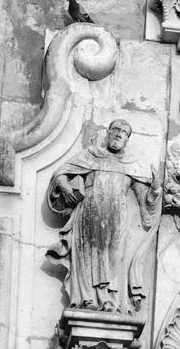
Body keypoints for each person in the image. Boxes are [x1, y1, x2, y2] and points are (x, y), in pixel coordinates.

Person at [47, 119, 160, 312]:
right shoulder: (91, 155)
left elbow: (144, 197)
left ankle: (111, 301)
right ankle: (87, 299)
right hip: (89, 211)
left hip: (117, 215)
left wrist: (155, 190)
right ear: (108, 133)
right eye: (115, 129)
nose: (118, 134)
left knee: (114, 257)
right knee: (89, 254)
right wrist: (65, 186)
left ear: (127, 139)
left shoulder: (132, 165)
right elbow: (60, 173)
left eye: (124, 132)